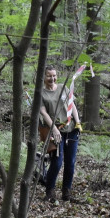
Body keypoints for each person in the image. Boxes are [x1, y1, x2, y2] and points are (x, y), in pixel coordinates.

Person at [38, 66, 82, 203]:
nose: (52, 78)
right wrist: (54, 130)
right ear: (44, 77)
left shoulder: (63, 88)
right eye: (49, 76)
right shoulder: (41, 93)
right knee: (57, 162)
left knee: (71, 163)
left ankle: (66, 192)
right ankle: (50, 191)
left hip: (71, 130)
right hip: (55, 131)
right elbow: (43, 113)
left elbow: (72, 105)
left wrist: (78, 122)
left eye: (54, 75)